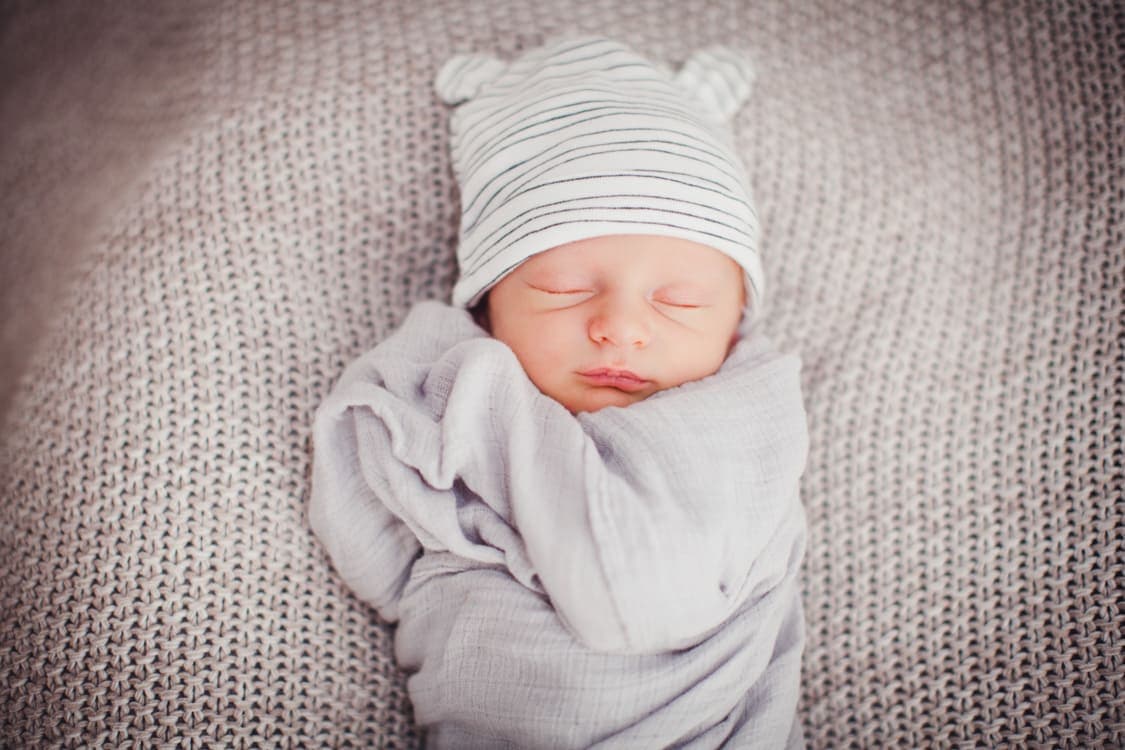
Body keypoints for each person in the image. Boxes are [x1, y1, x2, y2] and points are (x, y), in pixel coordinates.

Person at [310, 36, 810, 748]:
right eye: (563, 289)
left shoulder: (742, 413)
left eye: (680, 302)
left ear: (734, 323)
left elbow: (632, 596)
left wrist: (486, 402)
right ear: (485, 308)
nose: (620, 327)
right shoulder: (426, 384)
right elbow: (373, 550)